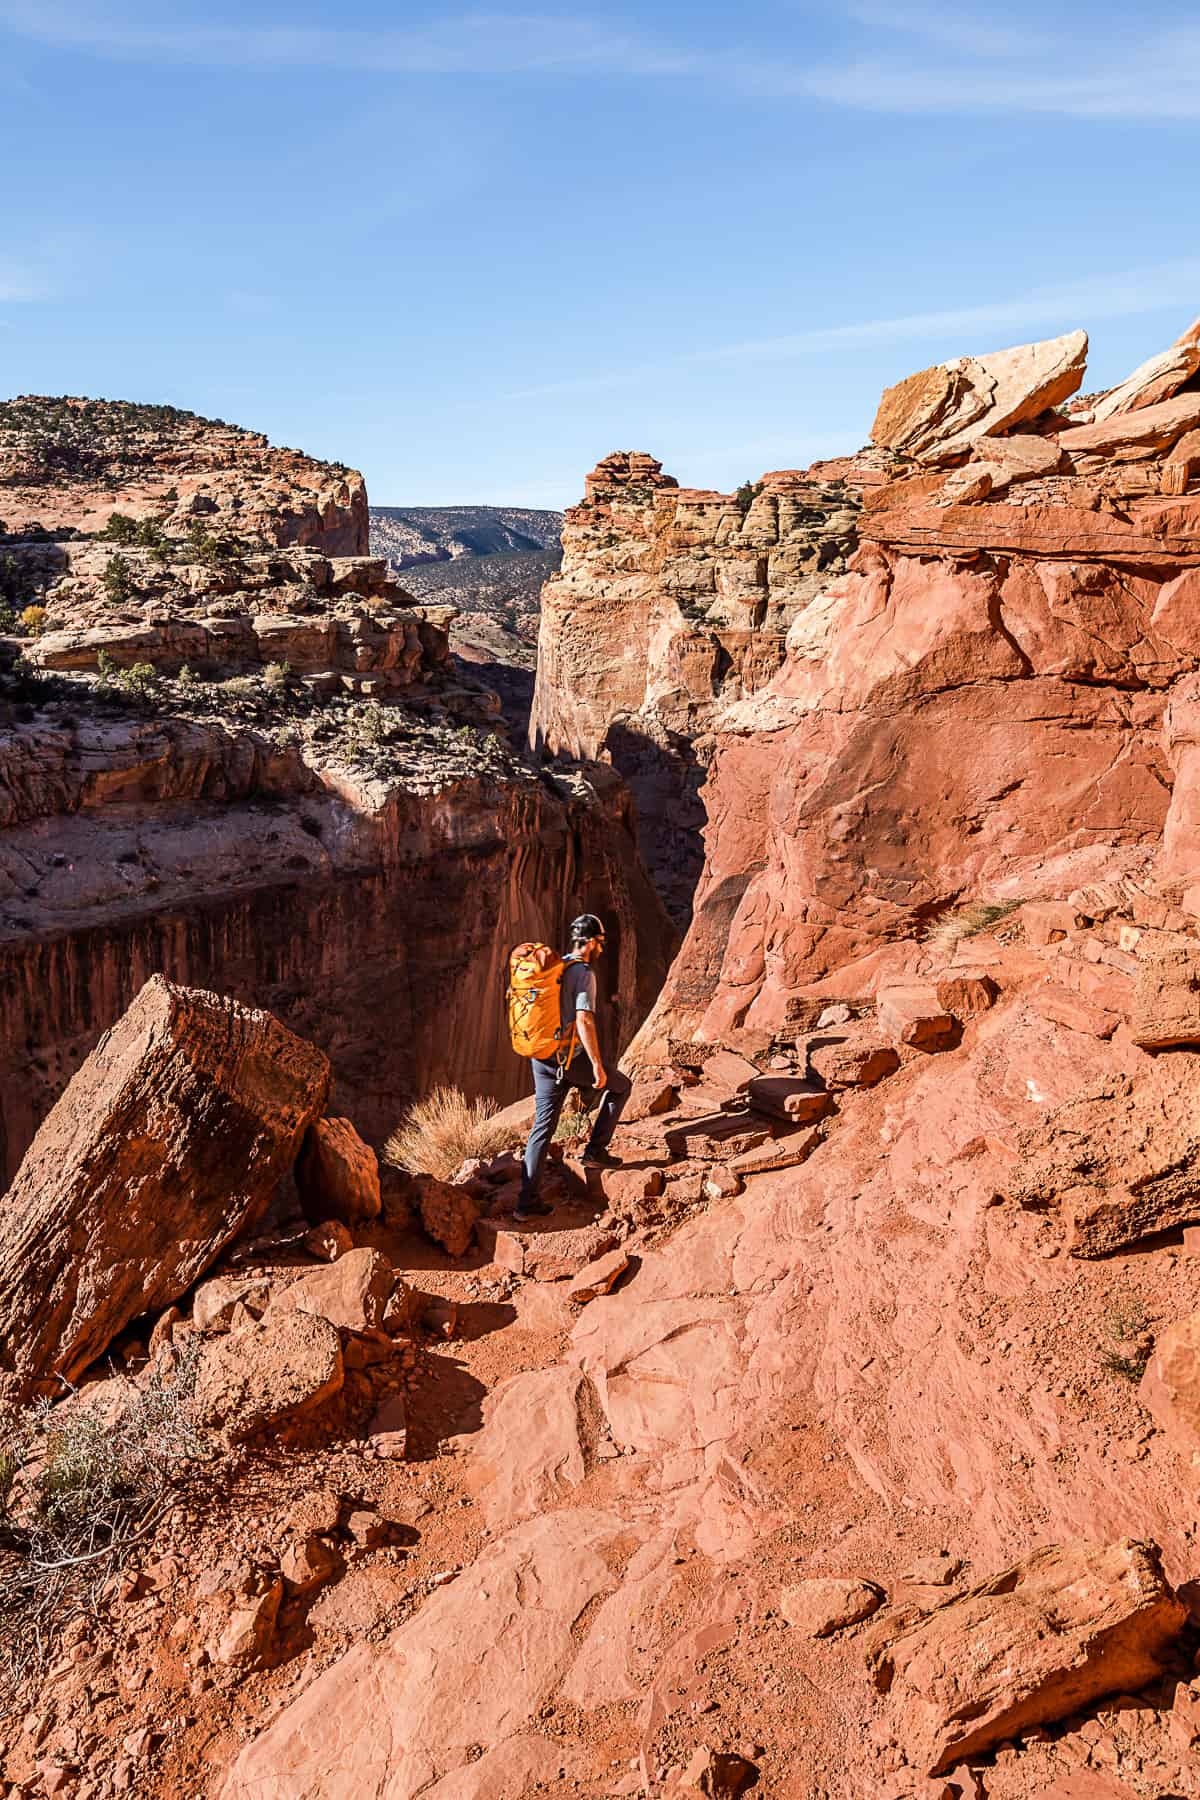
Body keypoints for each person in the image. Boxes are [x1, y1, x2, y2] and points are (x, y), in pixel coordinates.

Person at [515, 912, 632, 1222]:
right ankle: (595, 1152)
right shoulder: (583, 973)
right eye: (601, 943)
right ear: (591, 942)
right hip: (570, 1057)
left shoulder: (553, 967)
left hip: (542, 1056)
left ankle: (525, 1204)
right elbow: (584, 1019)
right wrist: (596, 1065)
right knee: (619, 1086)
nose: (602, 949)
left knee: (543, 1127)